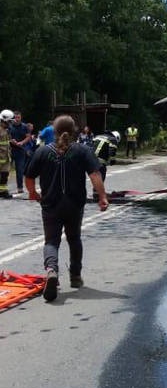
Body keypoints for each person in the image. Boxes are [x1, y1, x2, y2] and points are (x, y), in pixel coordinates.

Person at [24, 115, 109, 302]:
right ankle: (76, 277)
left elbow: (29, 176)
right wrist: (102, 196)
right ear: (74, 131)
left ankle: (52, 271)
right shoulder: (82, 150)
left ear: (53, 131)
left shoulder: (43, 151)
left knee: (51, 242)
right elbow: (95, 174)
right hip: (74, 204)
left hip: (50, 204)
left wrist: (32, 193)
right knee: (74, 238)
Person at [8, 110, 31, 194]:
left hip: (20, 151)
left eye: (18, 117)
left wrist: (22, 142)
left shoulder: (25, 126)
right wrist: (11, 140)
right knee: (6, 170)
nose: (17, 119)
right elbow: (6, 136)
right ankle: (3, 188)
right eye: (15, 117)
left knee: (19, 170)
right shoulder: (9, 126)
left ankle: (20, 187)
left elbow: (28, 137)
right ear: (13, 118)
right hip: (10, 150)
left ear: (21, 117)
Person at [0, 110, 12, 198]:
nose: (10, 123)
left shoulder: (6, 130)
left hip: (5, 158)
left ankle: (3, 191)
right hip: (1, 157)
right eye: (9, 121)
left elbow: (6, 142)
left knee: (4, 175)